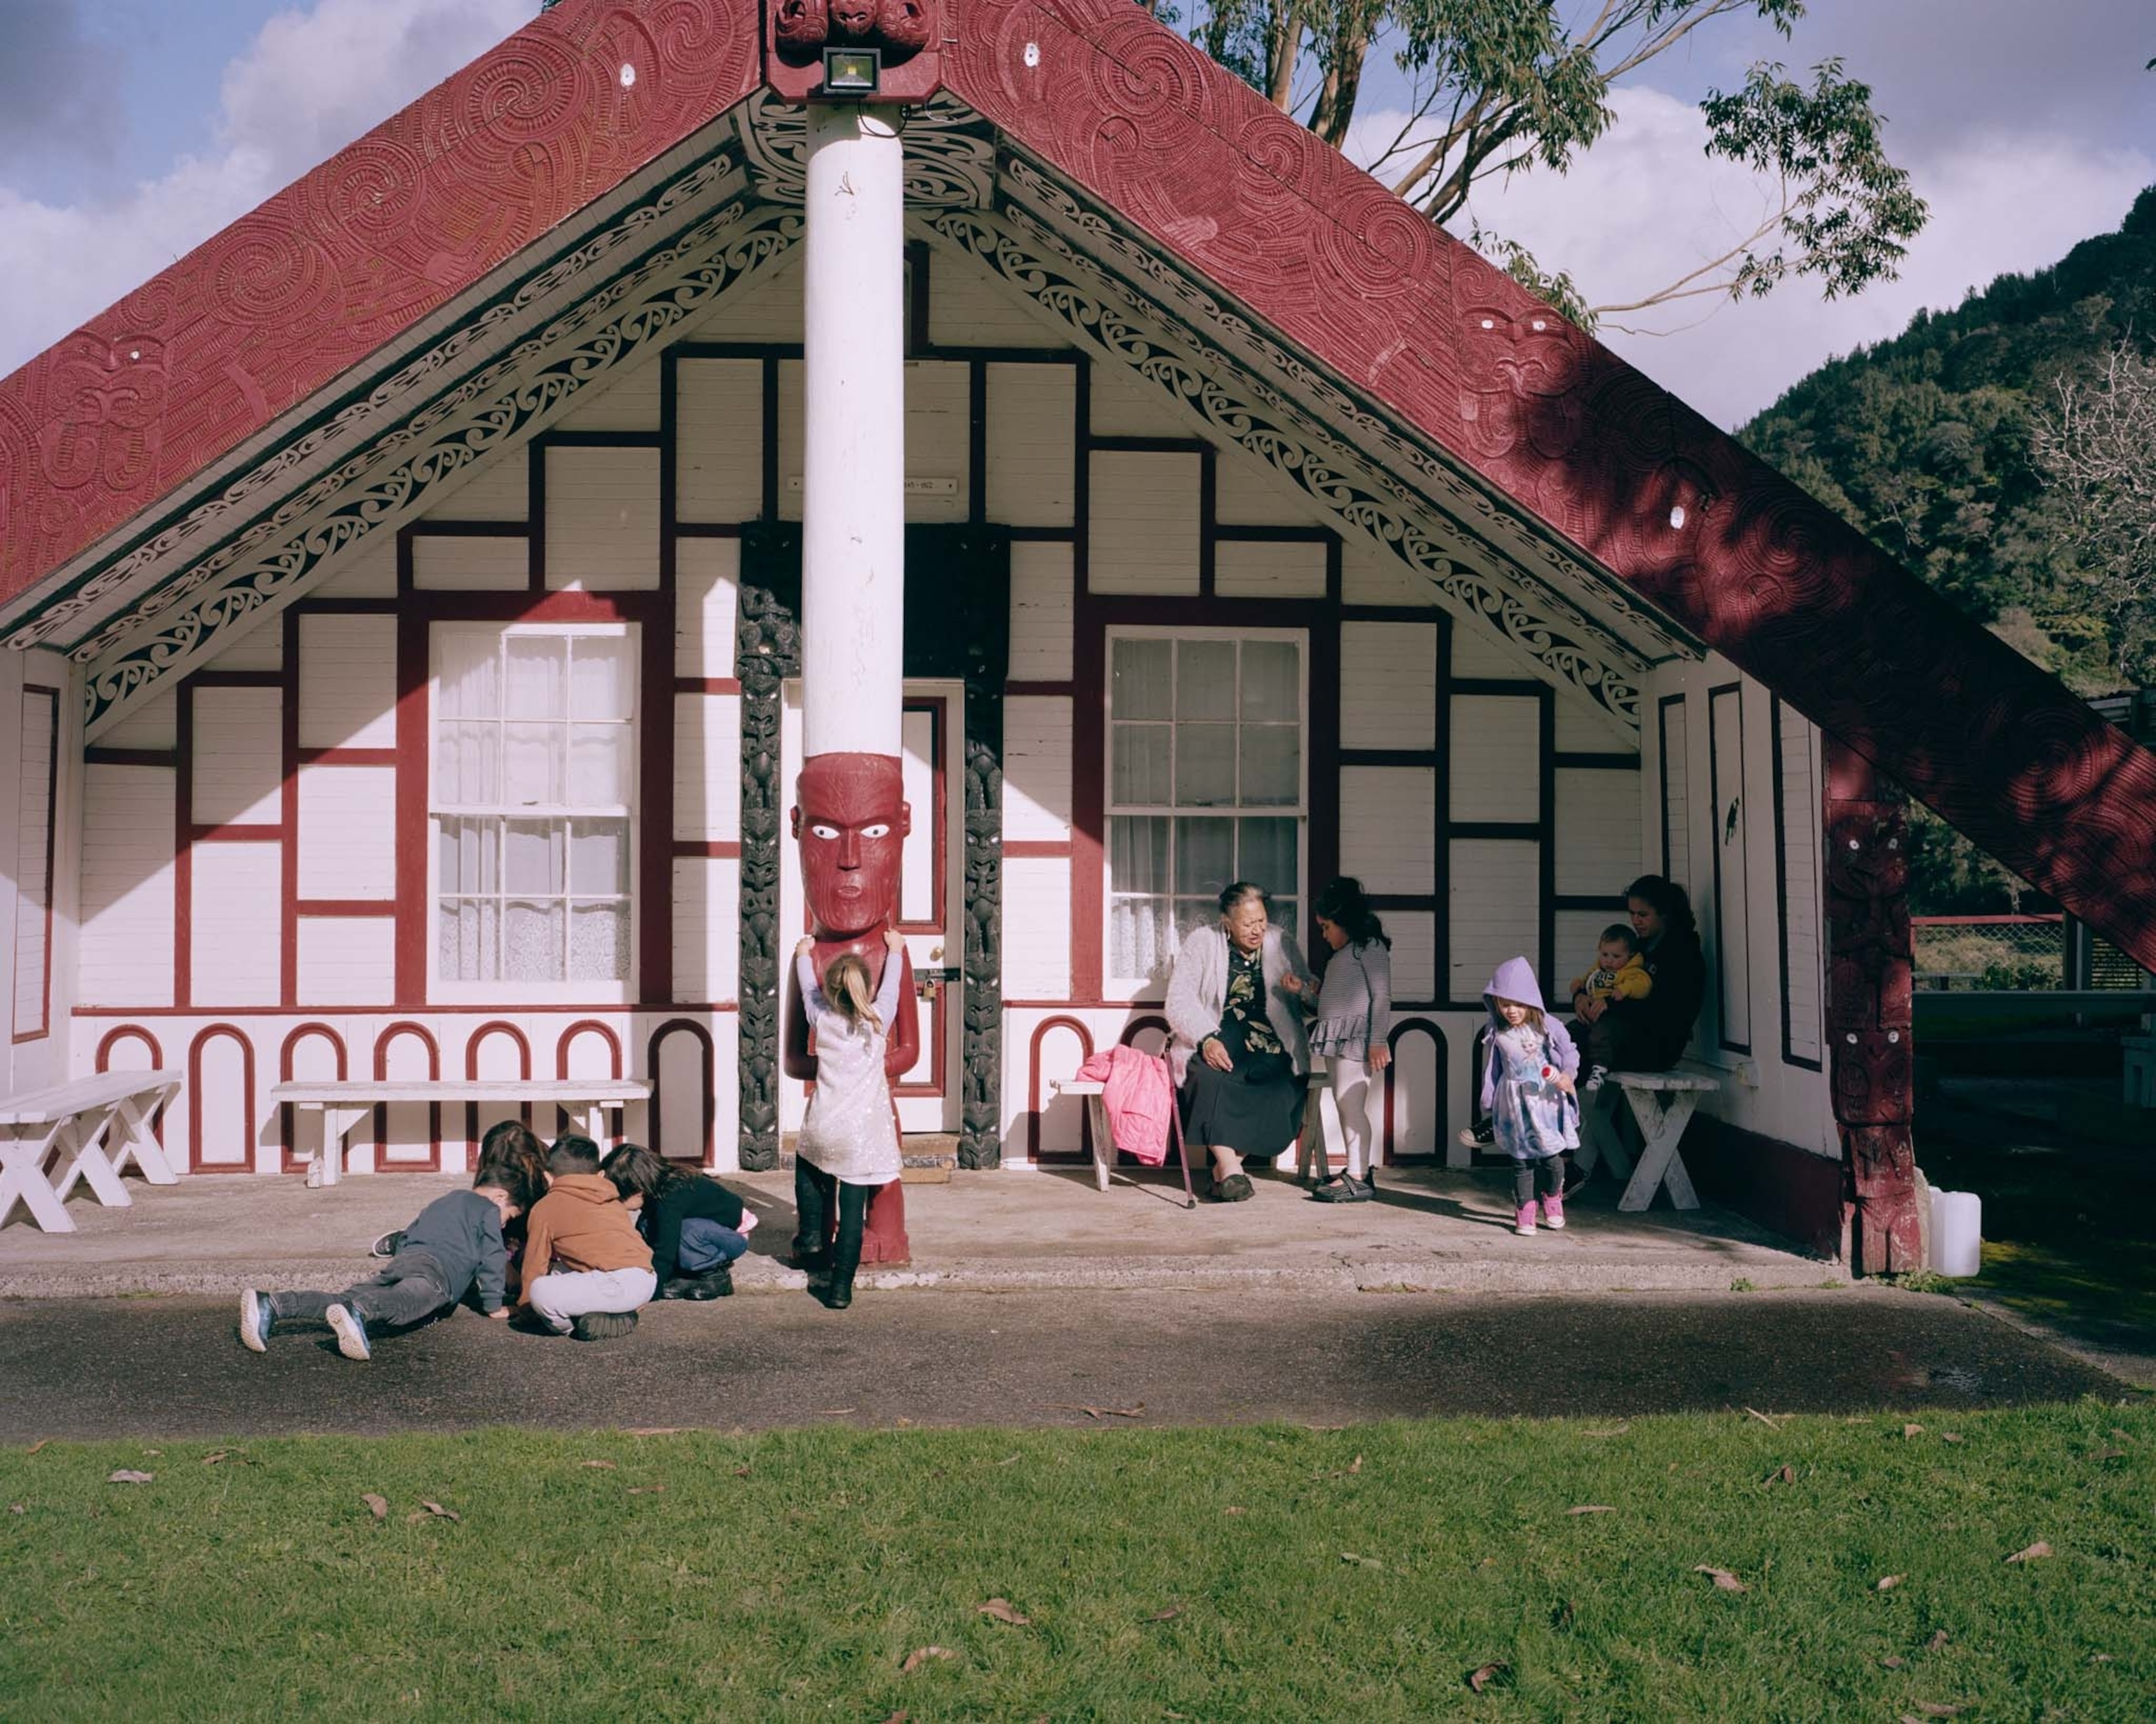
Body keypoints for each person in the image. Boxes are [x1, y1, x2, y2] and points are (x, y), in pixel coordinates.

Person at [241, 1170, 519, 1361]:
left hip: (406, 1260)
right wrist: (493, 1305)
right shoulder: (489, 1210)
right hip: (437, 1274)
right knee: (403, 1303)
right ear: (500, 1197)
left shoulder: (443, 1202)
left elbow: (407, 1234)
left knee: (343, 1297)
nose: (503, 1223)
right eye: (509, 1216)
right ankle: (359, 1312)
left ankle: (273, 1304)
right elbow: (493, 1256)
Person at [1164, 881, 1317, 1203]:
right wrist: (1205, 1038)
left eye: (1261, 921)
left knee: (1281, 1082)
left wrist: (1301, 989)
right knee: (1208, 1077)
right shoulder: (1202, 942)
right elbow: (1179, 1000)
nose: (1257, 930)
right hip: (1215, 1034)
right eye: (1248, 924)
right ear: (1227, 922)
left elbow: (1313, 999)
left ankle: (1227, 1171)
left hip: (1270, 1039)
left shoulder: (1281, 941)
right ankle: (1232, 1169)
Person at [790, 926, 907, 1309]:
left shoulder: (821, 1018)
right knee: (853, 1211)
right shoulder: (878, 1021)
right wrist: (897, 951)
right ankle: (840, 1289)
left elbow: (809, 989)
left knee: (807, 1164)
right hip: (861, 1134)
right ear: (864, 989)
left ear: (831, 991)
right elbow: (891, 987)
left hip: (825, 1124)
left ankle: (811, 1233)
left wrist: (803, 954)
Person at [1286, 876, 1392, 1204]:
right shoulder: (1342, 956)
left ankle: (1359, 1176)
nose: (1324, 934)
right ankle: (1356, 1169)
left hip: (1357, 1041)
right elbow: (1328, 1007)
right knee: (1346, 1106)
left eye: (1327, 927)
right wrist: (1303, 991)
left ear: (1345, 922)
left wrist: (1376, 1041)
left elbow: (1382, 997)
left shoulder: (1369, 948)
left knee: (1351, 1104)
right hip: (1339, 1039)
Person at [1462, 957, 1579, 1237]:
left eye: (1517, 1003)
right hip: (1514, 1104)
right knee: (1520, 1160)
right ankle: (1525, 1208)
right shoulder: (1497, 1030)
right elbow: (1495, 1070)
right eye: (1504, 1004)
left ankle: (1552, 1196)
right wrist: (1489, 1102)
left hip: (1546, 1102)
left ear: (1530, 1000)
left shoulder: (1549, 1026)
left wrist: (1568, 1075)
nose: (1511, 1010)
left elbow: (1571, 1052)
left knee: (1552, 1158)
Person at [517, 1135, 656, 1341]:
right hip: (645, 1281)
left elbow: (535, 1263)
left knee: (540, 1290)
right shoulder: (612, 1200)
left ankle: (573, 1325)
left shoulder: (545, 1207)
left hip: (614, 1283)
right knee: (557, 1272)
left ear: (548, 1177)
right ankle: (614, 1313)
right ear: (600, 1175)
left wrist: (527, 1308)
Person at [601, 1142, 759, 1301]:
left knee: (687, 1231)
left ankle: (714, 1276)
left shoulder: (672, 1195)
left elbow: (665, 1249)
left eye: (619, 1198)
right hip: (707, 1233)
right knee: (647, 1224)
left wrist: (650, 1293)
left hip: (731, 1237)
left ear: (637, 1191)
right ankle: (685, 1273)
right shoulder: (655, 1190)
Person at [1567, 922, 1652, 1090]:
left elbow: (1644, 985)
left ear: (1630, 955)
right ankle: (1562, 1062)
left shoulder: (1631, 972)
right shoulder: (1597, 971)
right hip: (1592, 1016)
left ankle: (1599, 1068)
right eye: (1605, 954)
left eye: (1616, 956)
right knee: (1571, 1029)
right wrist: (1579, 987)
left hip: (1613, 1019)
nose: (1609, 961)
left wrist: (1625, 989)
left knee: (1601, 1035)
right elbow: (1586, 980)